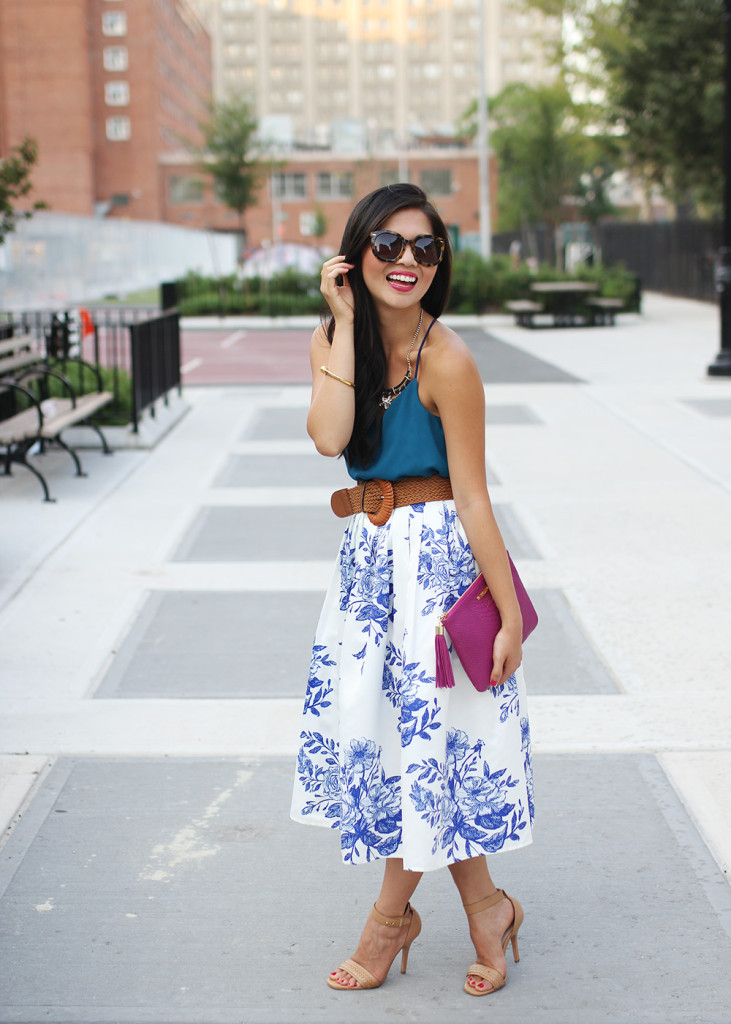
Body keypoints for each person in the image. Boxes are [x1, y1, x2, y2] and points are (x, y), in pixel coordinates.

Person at [290, 183, 533, 997]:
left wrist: (505, 617)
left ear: (440, 262)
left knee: (420, 755)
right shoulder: (335, 337)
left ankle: (388, 924)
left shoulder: (450, 361)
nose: (406, 263)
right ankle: (488, 908)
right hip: (366, 575)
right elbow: (329, 438)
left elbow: (473, 498)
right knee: (408, 753)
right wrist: (348, 325)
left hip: (435, 576)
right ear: (356, 253)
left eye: (424, 248)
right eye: (387, 246)